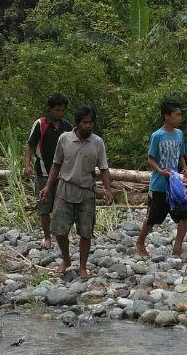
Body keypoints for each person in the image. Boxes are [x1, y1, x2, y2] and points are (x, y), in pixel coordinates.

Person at [40, 106, 113, 279]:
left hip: (87, 191)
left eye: (90, 123)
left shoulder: (97, 142)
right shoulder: (64, 139)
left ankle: (83, 267)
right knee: (59, 230)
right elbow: (56, 165)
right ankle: (66, 259)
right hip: (65, 189)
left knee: (85, 232)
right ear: (78, 123)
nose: (88, 126)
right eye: (84, 123)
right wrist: (48, 186)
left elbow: (103, 168)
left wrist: (108, 190)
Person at [135, 99, 187, 258]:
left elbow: (180, 154)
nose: (180, 117)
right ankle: (140, 242)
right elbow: (150, 158)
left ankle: (178, 245)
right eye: (177, 114)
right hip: (159, 184)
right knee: (153, 217)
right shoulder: (157, 135)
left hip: (175, 183)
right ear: (167, 116)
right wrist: (161, 171)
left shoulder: (179, 134)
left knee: (186, 213)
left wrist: (184, 167)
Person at [23, 93, 71, 249]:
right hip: (43, 170)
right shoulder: (40, 124)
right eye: (57, 110)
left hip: (62, 172)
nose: (60, 113)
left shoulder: (66, 126)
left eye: (62, 110)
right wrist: (27, 165)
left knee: (61, 205)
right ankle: (47, 236)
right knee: (44, 206)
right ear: (51, 109)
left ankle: (60, 234)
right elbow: (30, 145)